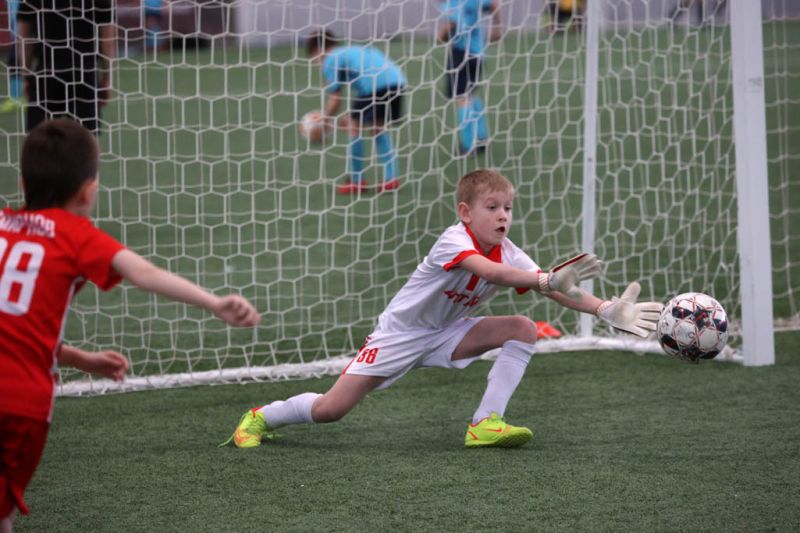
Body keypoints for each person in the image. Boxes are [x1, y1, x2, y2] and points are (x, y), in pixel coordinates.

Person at [222, 169, 661, 450]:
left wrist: (605, 309)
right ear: (465, 212)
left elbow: (553, 288)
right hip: (398, 336)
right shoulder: (454, 240)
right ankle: (260, 417)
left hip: (449, 331)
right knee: (330, 410)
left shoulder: (508, 250)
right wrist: (546, 279)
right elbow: (493, 274)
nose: (503, 216)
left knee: (523, 328)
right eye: (492, 208)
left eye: (508, 208)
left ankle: (485, 423)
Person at [0, 119, 261, 532]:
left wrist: (80, 359)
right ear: (88, 191)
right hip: (20, 403)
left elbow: (11, 326)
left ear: (21, 183)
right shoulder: (76, 236)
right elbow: (144, 273)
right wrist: (214, 303)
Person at [306, 30, 407, 195]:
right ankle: (391, 179)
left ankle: (357, 180)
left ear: (318, 50)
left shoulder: (330, 59)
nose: (318, 62)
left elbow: (336, 98)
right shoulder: (352, 49)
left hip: (374, 85)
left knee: (353, 126)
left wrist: (324, 120)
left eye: (315, 58)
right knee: (378, 127)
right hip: (397, 81)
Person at [15, 0, 116, 133]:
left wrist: (27, 75)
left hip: (46, 74)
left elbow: (24, 41)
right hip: (83, 74)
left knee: (40, 139)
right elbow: (107, 41)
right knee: (85, 138)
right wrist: (107, 78)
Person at [437, 0, 501, 156]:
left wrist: (440, 36)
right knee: (470, 94)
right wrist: (497, 28)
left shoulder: (451, 3)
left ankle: (468, 145)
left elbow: (452, 24)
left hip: (461, 54)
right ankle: (481, 138)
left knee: (462, 98)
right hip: (478, 53)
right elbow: (494, 4)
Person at [0, 0, 24, 114]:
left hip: (22, 36)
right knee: (13, 63)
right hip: (13, 36)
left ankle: (18, 97)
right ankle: (15, 97)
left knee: (19, 63)